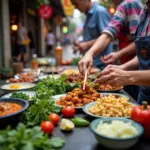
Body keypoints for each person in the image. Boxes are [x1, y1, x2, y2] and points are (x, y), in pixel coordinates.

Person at [95, 0, 150, 104]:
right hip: (144, 97)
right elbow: (144, 54)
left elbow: (109, 34)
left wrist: (128, 76)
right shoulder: (144, 11)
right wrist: (122, 67)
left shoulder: (131, 4)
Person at [78, 0, 143, 75]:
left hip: (136, 70)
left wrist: (89, 52)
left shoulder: (130, 3)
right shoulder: (123, 6)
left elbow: (139, 42)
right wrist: (117, 55)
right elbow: (109, 33)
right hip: (128, 67)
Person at [71, 0, 112, 69]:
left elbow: (108, 38)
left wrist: (87, 44)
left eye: (76, 4)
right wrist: (81, 45)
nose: (75, 8)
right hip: (91, 65)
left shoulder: (100, 12)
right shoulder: (87, 16)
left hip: (101, 65)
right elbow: (91, 38)